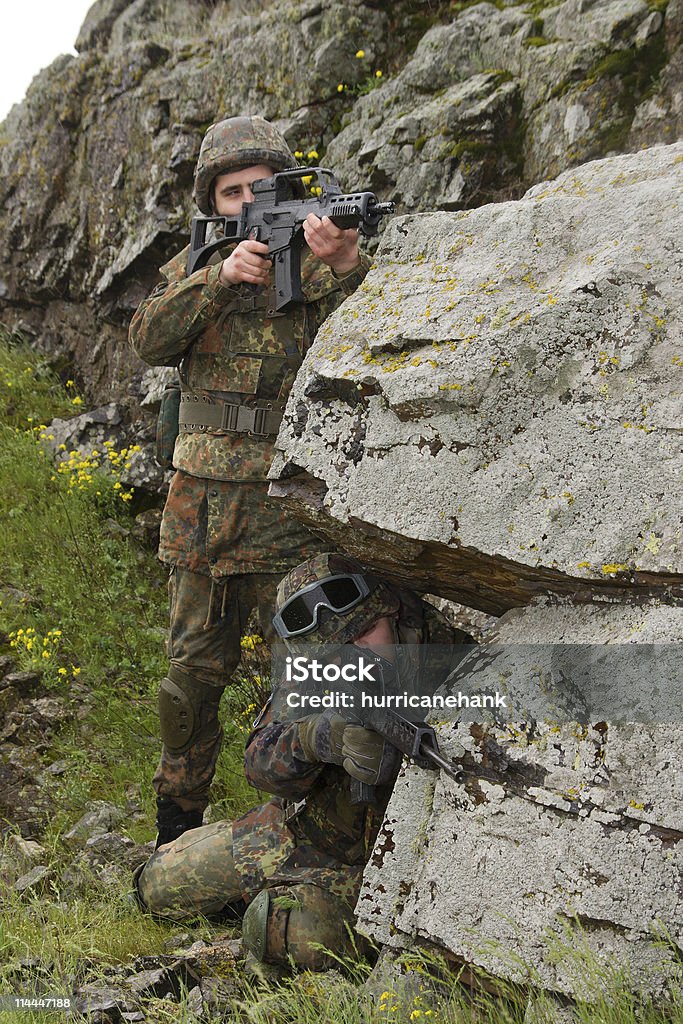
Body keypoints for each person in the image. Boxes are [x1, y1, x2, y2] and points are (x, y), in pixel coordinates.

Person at [128, 116, 371, 848]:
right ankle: (176, 831)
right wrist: (218, 280)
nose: (242, 203)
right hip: (199, 509)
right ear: (212, 201)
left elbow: (382, 329)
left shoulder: (321, 262)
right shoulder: (195, 266)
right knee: (190, 683)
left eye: (256, 189)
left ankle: (304, 832)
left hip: (286, 509)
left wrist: (349, 260)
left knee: (302, 676)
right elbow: (147, 339)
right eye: (229, 191)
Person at [136, 552, 472, 969]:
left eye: (368, 629)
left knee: (290, 932)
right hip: (304, 833)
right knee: (157, 886)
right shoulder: (313, 672)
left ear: (394, 612)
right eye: (339, 650)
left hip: (383, 867)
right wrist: (317, 739)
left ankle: (278, 908)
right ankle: (271, 891)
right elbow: (258, 761)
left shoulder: (456, 662)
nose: (360, 652)